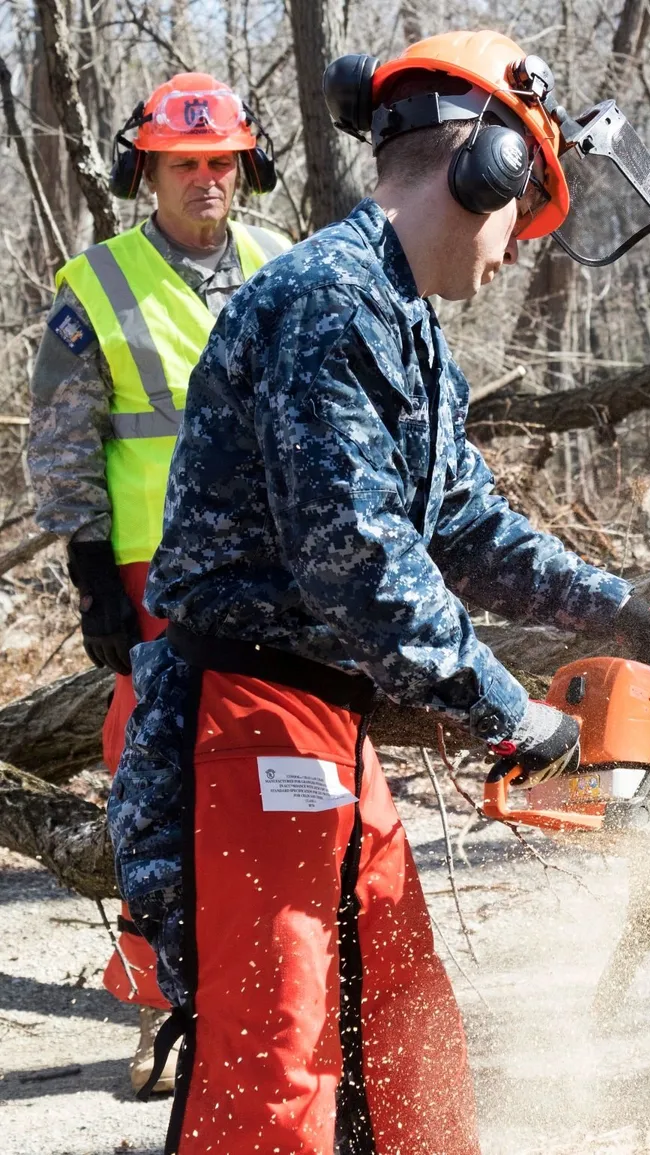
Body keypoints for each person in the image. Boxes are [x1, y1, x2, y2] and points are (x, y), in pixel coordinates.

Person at [108, 30, 650, 1154]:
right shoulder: (327, 306)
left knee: (402, 1034)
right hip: (248, 717)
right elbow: (359, 562)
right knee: (277, 1066)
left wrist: (633, 617)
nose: (519, 248)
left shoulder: (407, 330)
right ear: (487, 171)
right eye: (524, 208)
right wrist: (505, 711)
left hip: (324, 723)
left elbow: (465, 526)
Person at [26, 71, 289, 1094]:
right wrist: (90, 569)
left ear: (243, 167)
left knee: (287, 786)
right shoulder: (97, 286)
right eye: (185, 164)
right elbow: (59, 445)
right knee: (157, 799)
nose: (205, 180)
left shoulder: (284, 267)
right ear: (151, 170)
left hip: (278, 582)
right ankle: (161, 1011)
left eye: (220, 161)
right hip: (154, 587)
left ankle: (279, 1000)